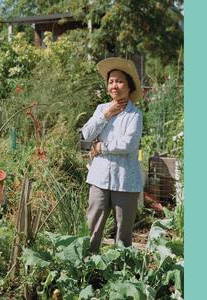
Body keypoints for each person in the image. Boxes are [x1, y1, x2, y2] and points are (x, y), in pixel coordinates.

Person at [82, 57, 143, 253]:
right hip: (99, 177)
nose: (114, 85)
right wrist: (107, 114)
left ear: (129, 86)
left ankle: (120, 277)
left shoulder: (135, 115)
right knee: (92, 227)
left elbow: (128, 143)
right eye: (110, 81)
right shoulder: (101, 109)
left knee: (123, 235)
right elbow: (86, 134)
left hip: (126, 180)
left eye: (119, 81)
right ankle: (88, 269)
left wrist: (101, 147)